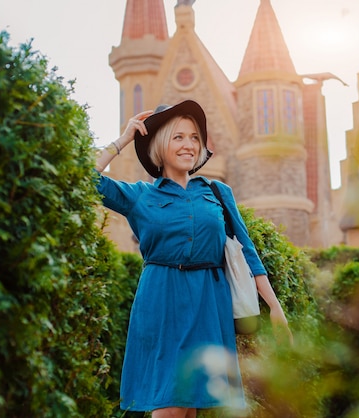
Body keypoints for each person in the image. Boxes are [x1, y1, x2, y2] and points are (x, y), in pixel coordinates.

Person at [94, 99, 292, 418]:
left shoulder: (216, 192)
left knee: (188, 410)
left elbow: (247, 250)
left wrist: (275, 306)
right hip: (161, 303)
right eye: (179, 137)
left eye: (194, 138)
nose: (189, 145)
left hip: (207, 304)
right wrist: (123, 139)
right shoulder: (140, 196)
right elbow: (86, 180)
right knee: (169, 408)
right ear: (160, 145)